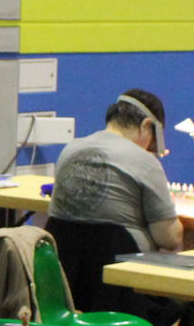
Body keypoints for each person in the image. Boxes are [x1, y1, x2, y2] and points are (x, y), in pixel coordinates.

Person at [50, 90, 182, 254]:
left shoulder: (70, 149)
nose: (149, 148)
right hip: (120, 267)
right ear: (146, 125)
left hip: (64, 264)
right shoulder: (144, 160)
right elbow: (169, 238)